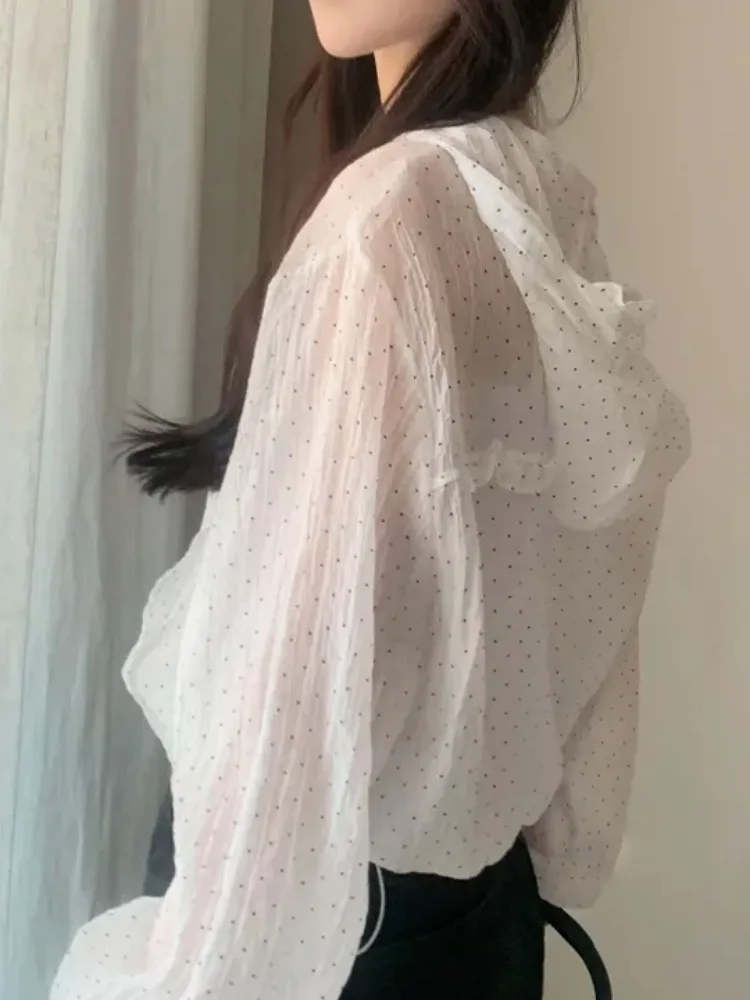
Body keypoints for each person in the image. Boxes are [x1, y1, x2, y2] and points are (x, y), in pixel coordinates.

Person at [51, 1, 690, 998]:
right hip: (480, 916)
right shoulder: (539, 191)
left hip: (332, 921)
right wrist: (552, 846)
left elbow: (295, 692)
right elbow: (590, 586)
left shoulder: (386, 216)